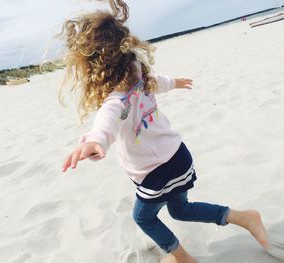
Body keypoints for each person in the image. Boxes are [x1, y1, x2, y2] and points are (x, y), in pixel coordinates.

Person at [60, 1, 269, 262]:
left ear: (92, 67)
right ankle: (243, 217)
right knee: (180, 209)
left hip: (154, 173)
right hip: (179, 157)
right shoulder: (136, 73)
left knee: (143, 217)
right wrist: (175, 83)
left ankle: (183, 258)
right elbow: (155, 82)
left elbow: (107, 122)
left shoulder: (116, 100)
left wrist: (95, 141)